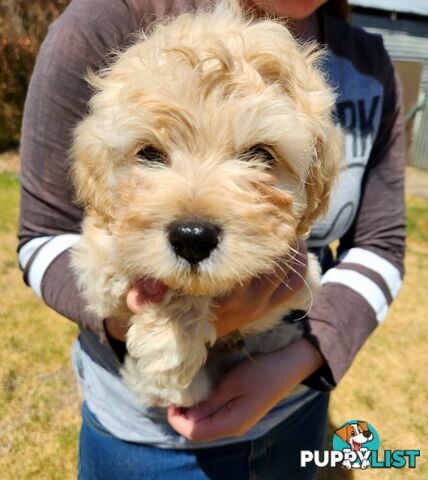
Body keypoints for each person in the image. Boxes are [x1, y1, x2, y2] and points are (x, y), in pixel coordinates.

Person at [18, 0, 405, 478]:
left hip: (296, 411)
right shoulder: (106, 19)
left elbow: (380, 245)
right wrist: (160, 317)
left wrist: (299, 360)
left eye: (261, 155)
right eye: (151, 152)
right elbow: (44, 239)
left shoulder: (368, 62)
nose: (197, 208)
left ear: (316, 176)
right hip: (146, 443)